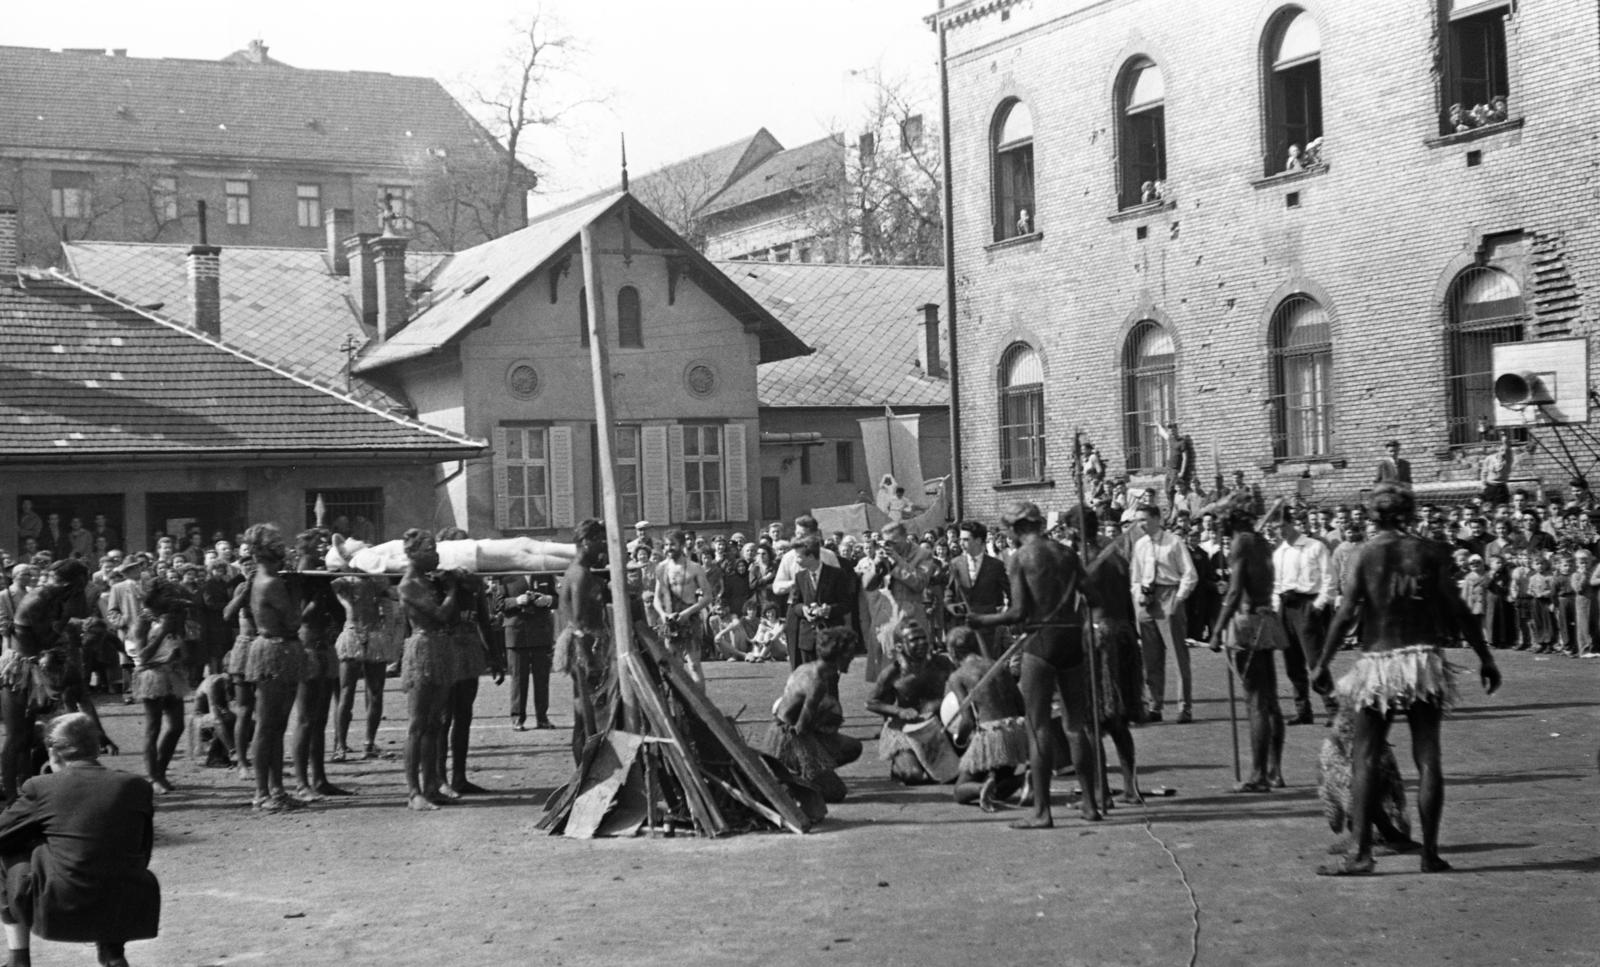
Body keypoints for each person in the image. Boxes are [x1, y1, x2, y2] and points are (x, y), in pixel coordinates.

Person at [1312, 483, 1501, 876]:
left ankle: (1361, 854)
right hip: (1422, 660)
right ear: (1409, 515)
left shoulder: (1363, 555)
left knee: (1364, 756)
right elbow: (1460, 609)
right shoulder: (1430, 552)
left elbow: (1346, 613)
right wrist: (1485, 658)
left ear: (1372, 517)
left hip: (1378, 662)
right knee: (1428, 756)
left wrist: (1321, 663)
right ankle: (1430, 854)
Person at [969, 501, 1104, 828]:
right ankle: (1090, 804)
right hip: (1072, 639)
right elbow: (1094, 597)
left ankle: (1042, 812)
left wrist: (981, 619)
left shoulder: (1021, 558)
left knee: (1038, 726)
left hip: (1041, 643)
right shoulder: (1067, 553)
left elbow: (1017, 613)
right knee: (1075, 726)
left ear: (1015, 529)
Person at [0, 713, 160, 967]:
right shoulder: (137, 786)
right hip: (128, 903)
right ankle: (112, 952)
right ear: (95, 747)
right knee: (113, 852)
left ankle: (19, 958)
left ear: (54, 751)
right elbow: (144, 849)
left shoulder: (40, 787)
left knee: (10, 850)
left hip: (62, 905)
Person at [1206, 496, 1285, 792]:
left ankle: (1258, 775)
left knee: (1256, 703)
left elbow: (1236, 591)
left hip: (1249, 623)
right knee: (1270, 701)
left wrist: (1217, 630)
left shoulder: (1241, 543)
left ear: (1232, 518)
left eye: (1220, 517)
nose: (1217, 523)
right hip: (1265, 619)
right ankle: (1275, 771)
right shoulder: (1261, 541)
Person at [243, 524, 307, 813]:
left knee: (275, 725)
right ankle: (261, 792)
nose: (283, 546)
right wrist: (304, 596)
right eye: (277, 542)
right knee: (268, 725)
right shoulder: (272, 582)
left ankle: (276, 790)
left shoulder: (263, 577)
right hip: (275, 650)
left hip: (278, 649)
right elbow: (293, 621)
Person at [760, 627, 862, 804]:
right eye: (850, 653)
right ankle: (797, 779)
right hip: (790, 738)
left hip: (787, 729)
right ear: (838, 655)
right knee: (836, 792)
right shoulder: (817, 682)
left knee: (853, 747)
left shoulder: (806, 668)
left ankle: (801, 775)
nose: (852, 658)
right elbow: (801, 728)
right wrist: (826, 722)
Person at [397, 530, 460, 812]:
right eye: (429, 549)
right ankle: (414, 792)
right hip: (422, 648)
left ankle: (432, 784)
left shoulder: (427, 580)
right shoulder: (409, 584)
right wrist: (453, 590)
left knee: (435, 722)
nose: (435, 554)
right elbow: (439, 615)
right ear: (413, 553)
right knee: (418, 723)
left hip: (439, 647)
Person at [945, 626, 1029, 810]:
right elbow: (1021, 706)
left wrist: (958, 741)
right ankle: (1023, 779)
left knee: (960, 791)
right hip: (1016, 732)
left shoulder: (957, 676)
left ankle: (981, 787)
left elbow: (966, 720)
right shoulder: (998, 665)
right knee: (999, 789)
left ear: (952, 652)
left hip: (991, 736)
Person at [1129, 504, 1197, 723]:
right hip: (1147, 600)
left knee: (1178, 655)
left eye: (1145, 520)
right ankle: (1155, 705)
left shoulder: (1173, 542)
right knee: (1150, 657)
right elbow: (1136, 577)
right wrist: (1139, 597)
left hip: (1169, 595)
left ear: (1157, 519)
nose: (1141, 524)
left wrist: (1179, 599)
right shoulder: (1139, 545)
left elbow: (1189, 574)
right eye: (1138, 520)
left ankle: (1184, 707)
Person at [866, 620, 957, 785]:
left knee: (956, 773)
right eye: (914, 640)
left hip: (937, 728)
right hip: (905, 731)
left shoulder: (941, 663)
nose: (921, 643)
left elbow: (961, 685)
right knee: (913, 776)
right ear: (900, 647)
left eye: (923, 638)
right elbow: (871, 702)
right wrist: (899, 712)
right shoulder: (893, 672)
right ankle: (900, 765)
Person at [557, 520, 616, 764]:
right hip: (585, 650)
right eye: (599, 540)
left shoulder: (583, 573)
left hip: (589, 647)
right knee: (588, 716)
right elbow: (578, 623)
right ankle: (586, 771)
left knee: (586, 714)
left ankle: (585, 769)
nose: (603, 546)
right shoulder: (579, 575)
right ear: (585, 542)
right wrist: (590, 660)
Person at [1272, 510, 1336, 726]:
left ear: (1292, 524)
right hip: (1285, 607)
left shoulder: (1314, 546)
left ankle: (1332, 708)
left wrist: (1318, 606)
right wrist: (1275, 608)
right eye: (1275, 528)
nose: (1279, 531)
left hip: (1307, 605)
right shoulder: (1279, 552)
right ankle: (1303, 710)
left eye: (1282, 526)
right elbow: (1276, 584)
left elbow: (1329, 578)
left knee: (1315, 660)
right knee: (1292, 662)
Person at [128, 580, 192, 793]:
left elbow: (184, 651)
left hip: (172, 673)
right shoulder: (143, 623)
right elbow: (143, 656)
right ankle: (153, 776)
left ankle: (161, 771)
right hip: (151, 675)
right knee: (153, 727)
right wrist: (163, 631)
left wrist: (179, 644)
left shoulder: (171, 618)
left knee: (176, 726)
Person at [330, 573, 398, 759]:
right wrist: (346, 603)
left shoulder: (379, 581)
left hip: (375, 634)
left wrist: (389, 633)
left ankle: (369, 743)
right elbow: (333, 586)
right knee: (346, 692)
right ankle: (340, 745)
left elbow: (389, 607)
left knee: (375, 692)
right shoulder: (346, 580)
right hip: (352, 632)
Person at [494, 573, 556, 731]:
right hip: (517, 633)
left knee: (542, 679)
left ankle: (542, 717)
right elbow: (497, 603)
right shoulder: (506, 576)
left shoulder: (544, 574)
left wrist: (547, 600)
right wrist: (516, 601)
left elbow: (557, 599)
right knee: (518, 678)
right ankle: (517, 718)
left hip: (541, 632)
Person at [653, 530, 713, 686]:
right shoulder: (661, 568)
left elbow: (707, 597)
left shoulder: (694, 567)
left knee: (694, 664)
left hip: (689, 619)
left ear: (681, 545)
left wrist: (687, 613)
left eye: (672, 544)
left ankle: (701, 708)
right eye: (666, 545)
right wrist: (663, 614)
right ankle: (678, 708)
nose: (668, 548)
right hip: (669, 621)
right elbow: (656, 599)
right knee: (674, 666)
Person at [782, 537, 851, 669]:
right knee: (809, 682)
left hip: (830, 637)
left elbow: (846, 604)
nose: (796, 560)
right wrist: (803, 610)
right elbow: (795, 604)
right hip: (807, 639)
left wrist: (829, 609)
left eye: (799, 557)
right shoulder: (800, 577)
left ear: (811, 556)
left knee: (830, 683)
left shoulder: (837, 574)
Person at [945, 521, 1008, 659]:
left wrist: (1002, 614)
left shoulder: (995, 565)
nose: (961, 543)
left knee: (987, 665)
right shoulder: (956, 563)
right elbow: (949, 592)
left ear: (979, 540)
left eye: (966, 540)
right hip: (963, 625)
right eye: (960, 539)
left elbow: (1010, 593)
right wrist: (951, 606)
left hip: (987, 626)